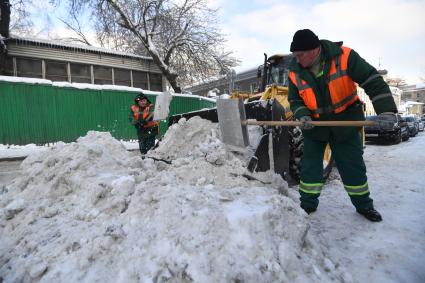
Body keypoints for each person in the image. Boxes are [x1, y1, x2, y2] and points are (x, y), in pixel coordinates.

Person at [287, 29, 398, 222]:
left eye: (299, 55)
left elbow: (372, 80)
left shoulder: (344, 57)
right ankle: (307, 205)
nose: (296, 59)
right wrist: (302, 114)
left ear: (314, 50)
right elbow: (295, 100)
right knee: (310, 166)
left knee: (352, 165)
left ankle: (364, 206)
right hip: (314, 125)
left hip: (345, 121)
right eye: (294, 55)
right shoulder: (295, 72)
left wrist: (386, 110)